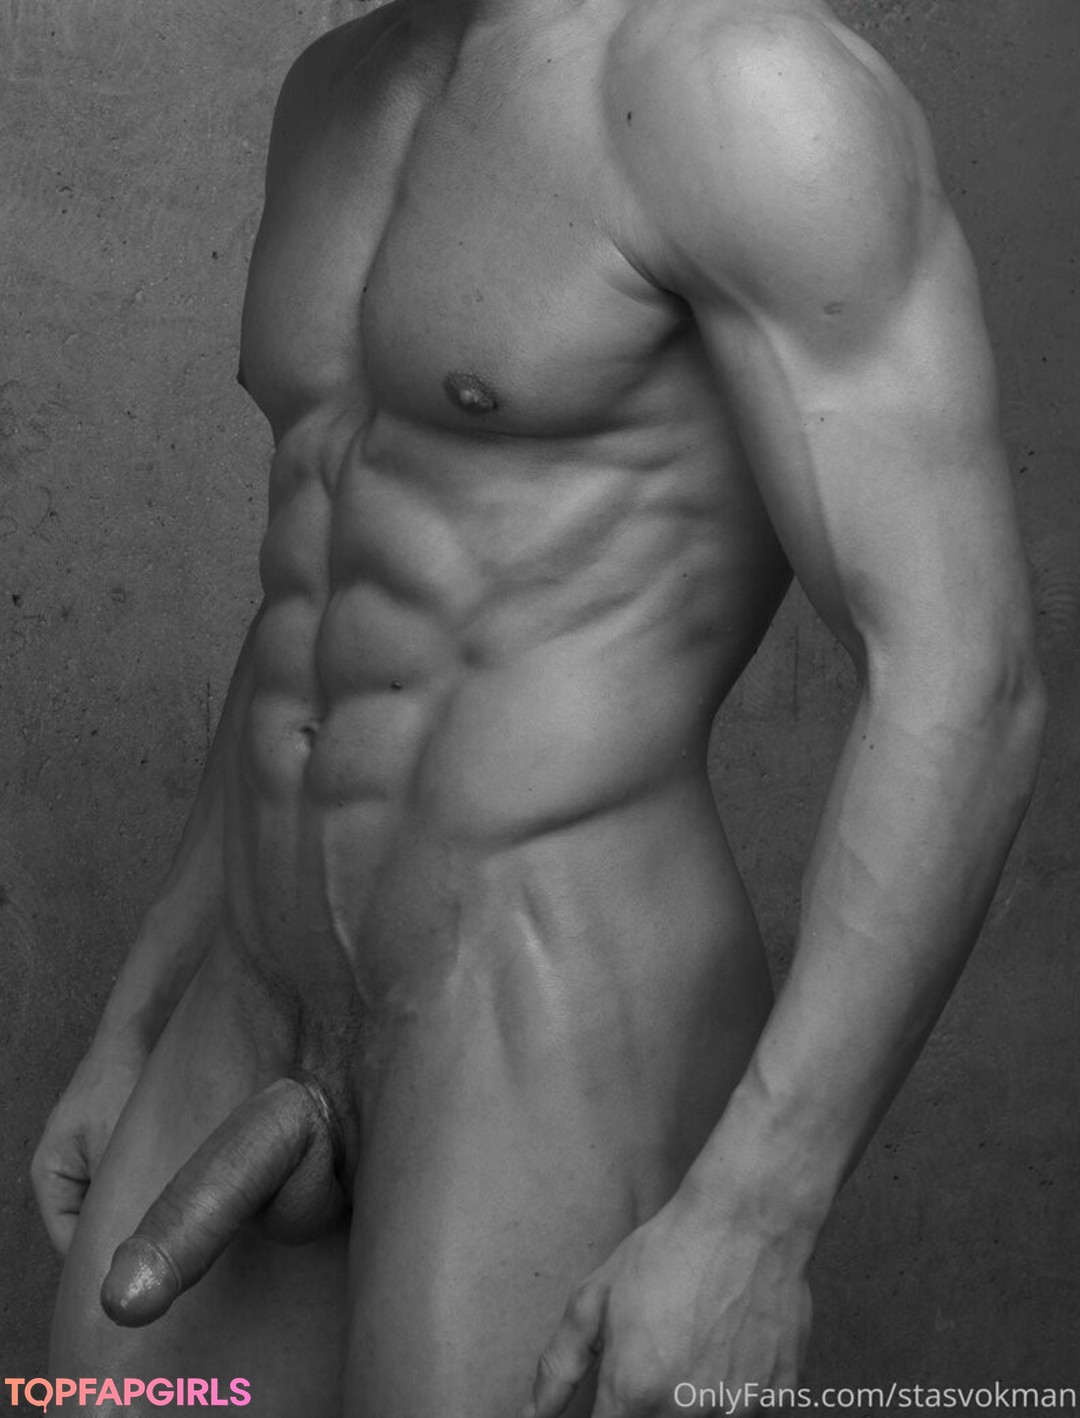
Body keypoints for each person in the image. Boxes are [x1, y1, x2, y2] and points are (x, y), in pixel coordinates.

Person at [33, 0, 1045, 1411]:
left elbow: (960, 671)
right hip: (256, 981)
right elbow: (317, 609)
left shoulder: (748, 92)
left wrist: (760, 1209)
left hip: (543, 997)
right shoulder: (330, 89)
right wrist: (137, 1019)